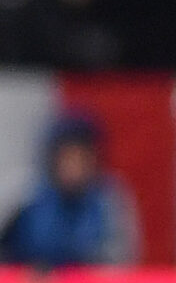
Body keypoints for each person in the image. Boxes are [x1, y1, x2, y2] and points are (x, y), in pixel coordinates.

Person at [2, 113, 139, 270]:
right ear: (52, 158)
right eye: (67, 157)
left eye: (82, 158)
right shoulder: (24, 193)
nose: (74, 167)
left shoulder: (109, 199)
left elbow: (121, 263)